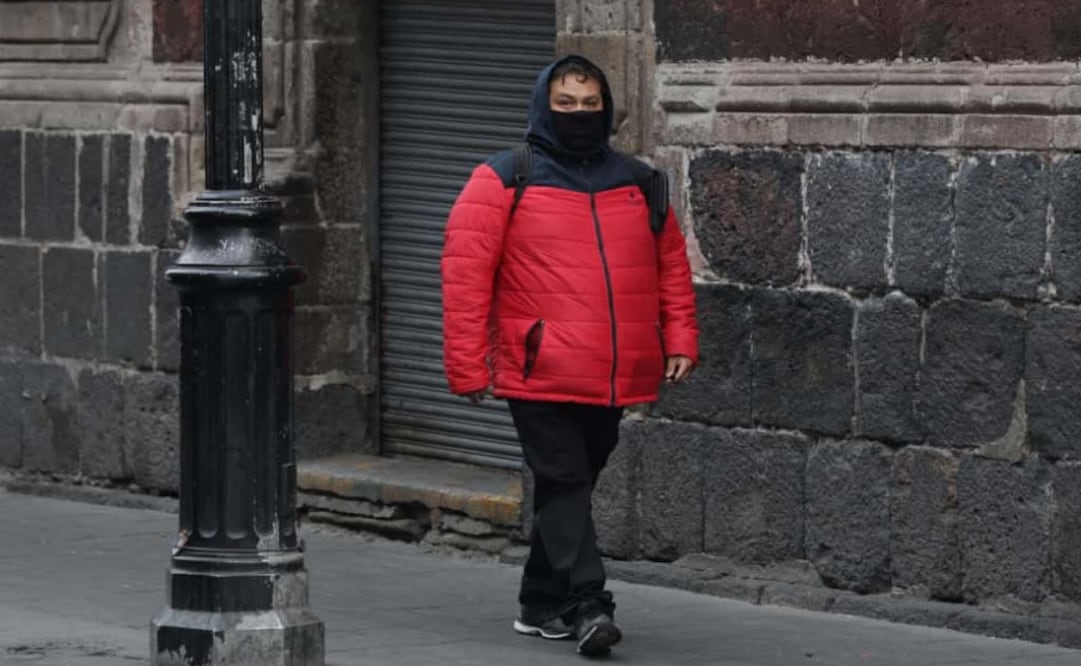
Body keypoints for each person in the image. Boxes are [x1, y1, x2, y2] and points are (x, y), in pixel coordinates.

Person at [440, 54, 699, 657]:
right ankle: (588, 604)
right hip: (539, 368)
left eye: (590, 104)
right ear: (542, 106)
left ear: (605, 108)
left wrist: (681, 338)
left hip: (613, 370)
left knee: (571, 486)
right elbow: (464, 273)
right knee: (563, 478)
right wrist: (468, 364)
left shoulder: (640, 180)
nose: (579, 115)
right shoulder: (504, 177)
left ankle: (538, 602)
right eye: (566, 104)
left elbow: (671, 268)